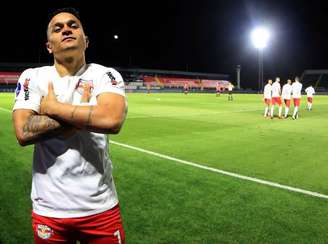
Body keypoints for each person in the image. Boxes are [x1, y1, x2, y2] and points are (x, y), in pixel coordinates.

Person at [12, 8, 127, 243]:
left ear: (86, 41)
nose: (66, 29)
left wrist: (54, 108)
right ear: (49, 46)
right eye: (58, 28)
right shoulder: (32, 77)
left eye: (73, 25)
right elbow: (23, 131)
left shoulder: (105, 75)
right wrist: (85, 115)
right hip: (49, 209)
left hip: (100, 207)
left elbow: (111, 120)